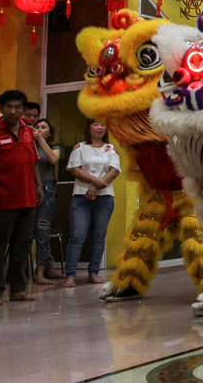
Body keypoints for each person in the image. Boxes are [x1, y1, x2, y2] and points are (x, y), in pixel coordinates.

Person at [0, 90, 42, 306]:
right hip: (2, 199)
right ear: (1, 108)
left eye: (18, 107)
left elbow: (33, 160)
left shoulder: (28, 130)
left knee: (23, 245)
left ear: (23, 110)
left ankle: (18, 289)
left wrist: (38, 186)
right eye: (9, 106)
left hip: (27, 198)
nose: (13, 111)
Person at [63, 120, 120, 288]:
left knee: (98, 236)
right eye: (96, 124)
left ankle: (93, 272)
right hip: (81, 197)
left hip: (105, 198)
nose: (100, 128)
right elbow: (75, 169)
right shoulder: (79, 148)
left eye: (103, 125)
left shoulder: (110, 149)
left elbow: (114, 170)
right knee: (77, 236)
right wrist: (96, 182)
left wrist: (97, 186)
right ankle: (70, 275)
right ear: (88, 127)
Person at [31, 119, 60, 285]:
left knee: (43, 231)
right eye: (37, 127)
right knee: (26, 233)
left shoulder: (54, 147)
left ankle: (41, 272)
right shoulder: (28, 145)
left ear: (49, 132)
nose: (39, 130)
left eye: (43, 127)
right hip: (28, 188)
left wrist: (40, 140)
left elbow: (53, 160)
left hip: (47, 191)